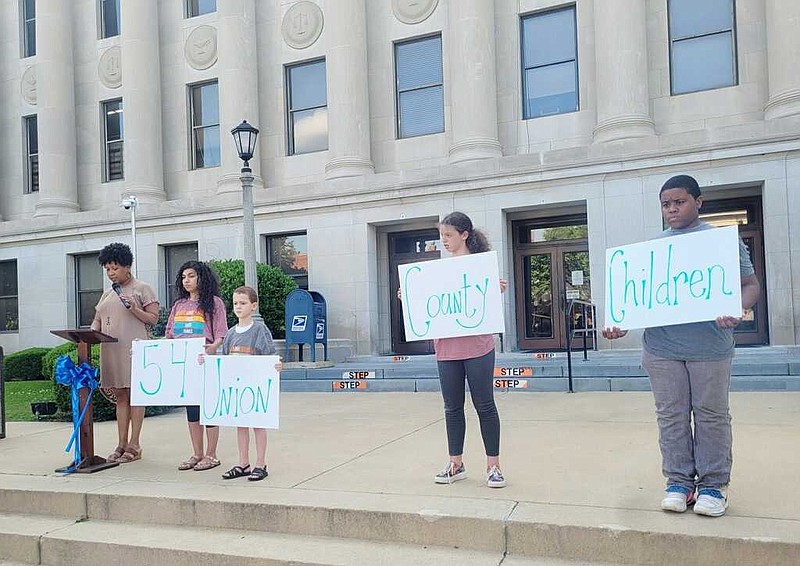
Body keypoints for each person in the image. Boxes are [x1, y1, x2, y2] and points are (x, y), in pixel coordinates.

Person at [603, 175, 760, 517]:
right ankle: (678, 482)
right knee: (670, 417)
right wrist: (620, 323)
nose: (672, 209)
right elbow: (640, 299)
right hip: (661, 348)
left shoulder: (721, 242)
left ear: (698, 202)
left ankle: (714, 486)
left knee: (711, 417)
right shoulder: (653, 248)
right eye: (666, 204)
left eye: (679, 201)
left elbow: (750, 285)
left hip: (710, 348)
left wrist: (739, 308)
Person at [400, 212, 509, 488]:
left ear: (464, 234)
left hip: (478, 346)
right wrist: (409, 295)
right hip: (446, 348)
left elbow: (486, 298)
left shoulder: (480, 267)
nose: (444, 241)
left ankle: (493, 466)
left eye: (448, 235)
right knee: (452, 407)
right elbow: (426, 301)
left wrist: (495, 289)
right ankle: (456, 463)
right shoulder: (438, 270)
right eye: (442, 235)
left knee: (485, 405)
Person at [199, 286, 282, 482]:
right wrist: (206, 361)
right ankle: (243, 463)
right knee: (241, 426)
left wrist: (277, 366)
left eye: (243, 303)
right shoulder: (230, 333)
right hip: (238, 390)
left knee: (258, 425)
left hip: (256, 389)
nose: (238, 307)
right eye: (236, 303)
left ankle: (260, 464)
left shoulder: (260, 330)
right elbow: (225, 361)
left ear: (253, 306)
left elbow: (270, 356)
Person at [91, 242, 159, 464]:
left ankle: (135, 444)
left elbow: (153, 318)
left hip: (134, 349)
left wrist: (135, 308)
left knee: (136, 396)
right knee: (121, 395)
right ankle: (121, 443)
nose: (111, 273)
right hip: (111, 350)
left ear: (127, 266)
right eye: (107, 269)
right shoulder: (107, 294)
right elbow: (97, 320)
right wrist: (90, 334)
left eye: (115, 268)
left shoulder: (142, 288)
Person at [166, 260, 228, 471]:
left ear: (202, 277)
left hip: (206, 361)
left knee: (208, 408)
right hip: (185, 364)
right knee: (192, 409)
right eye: (183, 277)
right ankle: (197, 453)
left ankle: (212, 454)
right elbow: (170, 334)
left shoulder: (215, 303)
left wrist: (213, 347)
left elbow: (221, 332)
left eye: (191, 276)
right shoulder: (178, 305)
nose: (187, 281)